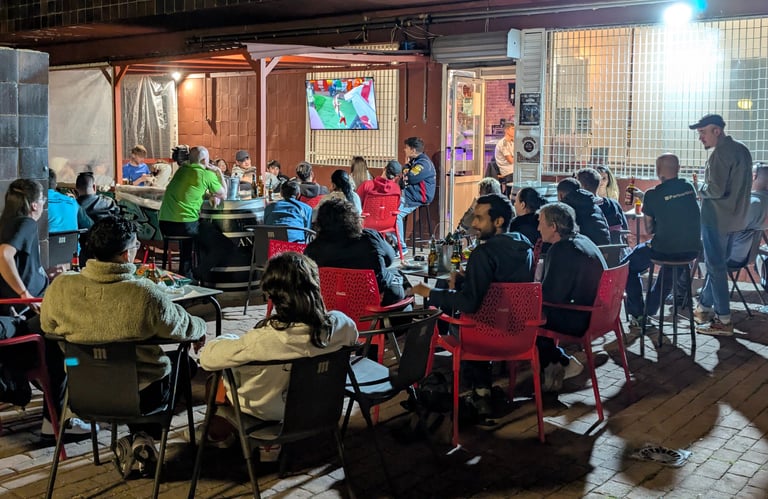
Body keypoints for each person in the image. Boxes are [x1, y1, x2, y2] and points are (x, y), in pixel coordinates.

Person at [40, 216, 206, 477]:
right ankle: (143, 435)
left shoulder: (61, 287)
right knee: (183, 364)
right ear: (126, 253)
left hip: (82, 389)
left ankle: (138, 439)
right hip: (138, 396)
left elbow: (48, 327)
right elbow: (182, 326)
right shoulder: (144, 294)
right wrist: (201, 328)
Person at [198, 251, 357, 425]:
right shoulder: (342, 324)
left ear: (273, 296)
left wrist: (228, 337)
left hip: (268, 410)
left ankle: (222, 435)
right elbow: (353, 338)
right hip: (319, 406)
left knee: (215, 382)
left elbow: (207, 358)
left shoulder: (263, 339)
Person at [411, 194, 533, 415]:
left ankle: (478, 392)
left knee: (460, 322)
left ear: (498, 222)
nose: (474, 224)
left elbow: (469, 303)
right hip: (519, 333)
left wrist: (431, 293)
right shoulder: (525, 247)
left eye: (479, 218)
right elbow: (501, 287)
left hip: (485, 335)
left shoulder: (483, 254)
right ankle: (482, 391)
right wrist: (468, 279)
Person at [0, 179, 96, 438]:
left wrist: (46, 276)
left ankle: (59, 413)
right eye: (42, 200)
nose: (43, 205)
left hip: (14, 317)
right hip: (17, 321)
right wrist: (25, 294)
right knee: (65, 344)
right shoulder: (25, 223)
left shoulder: (6, 223)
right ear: (34, 205)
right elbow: (4, 256)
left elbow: (19, 266)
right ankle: (59, 419)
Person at [690, 114, 753, 335]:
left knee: (715, 267)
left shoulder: (719, 155)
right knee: (718, 266)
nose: (701, 138)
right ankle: (704, 308)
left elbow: (715, 190)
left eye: (703, 133)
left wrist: (698, 190)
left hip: (716, 219)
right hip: (737, 219)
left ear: (717, 131)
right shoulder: (742, 150)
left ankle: (723, 321)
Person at [621, 154, 701, 328]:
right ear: (678, 168)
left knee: (627, 266)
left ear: (658, 171)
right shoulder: (689, 187)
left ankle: (637, 314)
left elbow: (649, 229)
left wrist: (659, 219)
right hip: (690, 251)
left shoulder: (653, 195)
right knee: (670, 270)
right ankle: (648, 311)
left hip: (665, 249)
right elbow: (673, 205)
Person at [537, 202, 606, 391]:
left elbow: (551, 296)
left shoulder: (562, 250)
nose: (537, 228)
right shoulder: (584, 240)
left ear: (553, 227)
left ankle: (560, 365)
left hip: (579, 318)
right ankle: (557, 364)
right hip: (600, 315)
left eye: (541, 222)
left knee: (531, 319)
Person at [305, 197, 409, 306]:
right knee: (399, 276)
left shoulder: (312, 249)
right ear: (353, 218)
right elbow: (390, 259)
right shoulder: (369, 238)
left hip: (331, 303)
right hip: (375, 301)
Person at [158, 145, 232, 281]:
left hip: (165, 225)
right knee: (224, 245)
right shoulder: (206, 174)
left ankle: (186, 276)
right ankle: (199, 272)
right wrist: (218, 172)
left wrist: (207, 196)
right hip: (185, 225)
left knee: (190, 242)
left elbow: (190, 191)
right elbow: (224, 194)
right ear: (204, 161)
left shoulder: (181, 171)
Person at [726, 163, 768, 273]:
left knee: (688, 248)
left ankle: (685, 286)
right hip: (746, 257)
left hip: (729, 257)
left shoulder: (750, 204)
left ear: (753, 176)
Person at [397, 137, 436, 254]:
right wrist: (405, 171)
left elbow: (410, 178)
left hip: (418, 196)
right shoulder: (414, 162)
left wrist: (405, 173)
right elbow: (403, 178)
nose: (404, 150)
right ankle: (396, 244)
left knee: (395, 216)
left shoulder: (423, 164)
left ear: (413, 150)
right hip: (410, 194)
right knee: (386, 212)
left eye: (406, 148)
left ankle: (402, 247)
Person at [577, 168, 628, 245]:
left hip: (590, 253)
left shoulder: (579, 208)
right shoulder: (614, 204)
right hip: (616, 252)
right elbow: (625, 229)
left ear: (582, 186)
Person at [557, 177, 610, 246]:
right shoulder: (593, 204)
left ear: (560, 195)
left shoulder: (566, 209)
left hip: (584, 250)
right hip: (604, 248)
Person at [494, 123, 515, 196]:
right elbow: (511, 160)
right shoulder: (503, 143)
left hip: (513, 169)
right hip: (507, 170)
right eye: (512, 129)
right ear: (506, 130)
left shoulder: (512, 142)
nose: (514, 131)